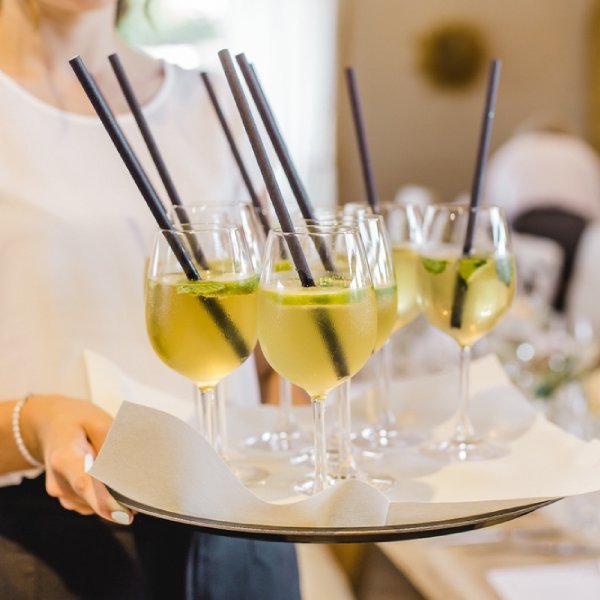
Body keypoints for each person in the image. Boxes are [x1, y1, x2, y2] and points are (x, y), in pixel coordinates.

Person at [0, 0, 301, 598]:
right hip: (51, 545)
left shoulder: (220, 102)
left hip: (241, 528)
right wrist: (29, 423)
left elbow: (280, 339)